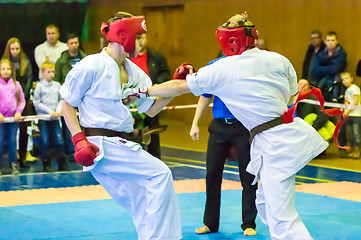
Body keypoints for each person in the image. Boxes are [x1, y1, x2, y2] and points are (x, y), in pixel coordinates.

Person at [123, 12, 328, 239]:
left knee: (281, 215)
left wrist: (142, 91)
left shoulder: (225, 67)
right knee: (266, 204)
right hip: (282, 137)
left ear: (230, 41)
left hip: (275, 144)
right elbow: (291, 95)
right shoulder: (279, 59)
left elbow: (178, 87)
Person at [59, 12, 181, 240]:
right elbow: (67, 105)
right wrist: (78, 140)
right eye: (137, 37)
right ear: (123, 36)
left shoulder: (134, 71)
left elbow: (151, 109)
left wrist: (175, 84)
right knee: (160, 175)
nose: (140, 42)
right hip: (102, 145)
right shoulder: (91, 66)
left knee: (142, 201)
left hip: (121, 143)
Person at [190, 91, 257, 235]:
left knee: (248, 176)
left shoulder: (245, 68)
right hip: (218, 127)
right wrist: (195, 123)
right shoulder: (212, 68)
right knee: (212, 175)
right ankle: (210, 223)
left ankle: (249, 224)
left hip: (242, 127)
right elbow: (205, 96)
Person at [131, 33, 171, 159]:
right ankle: (134, 158)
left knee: (153, 130)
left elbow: (166, 72)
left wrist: (158, 83)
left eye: (143, 37)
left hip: (151, 98)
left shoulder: (156, 57)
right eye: (138, 38)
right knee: (133, 132)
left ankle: (155, 158)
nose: (141, 41)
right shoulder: (127, 57)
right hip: (132, 99)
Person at [2, 37, 35, 168]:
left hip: (22, 101)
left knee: (24, 131)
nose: (15, 51)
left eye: (17, 48)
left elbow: (29, 80)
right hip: (6, 102)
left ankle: (22, 158)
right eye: (12, 49)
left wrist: (23, 99)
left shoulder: (25, 61)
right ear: (8, 49)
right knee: (6, 134)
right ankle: (9, 160)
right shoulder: (4, 63)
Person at [54, 33, 87, 162]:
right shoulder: (61, 61)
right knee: (68, 126)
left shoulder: (85, 59)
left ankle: (84, 150)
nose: (74, 45)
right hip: (67, 97)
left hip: (84, 98)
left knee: (85, 124)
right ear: (67, 45)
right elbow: (57, 80)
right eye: (71, 43)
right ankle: (72, 151)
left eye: (76, 42)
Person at [33, 61, 69, 172]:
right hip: (44, 118)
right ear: (43, 73)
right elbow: (36, 102)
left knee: (59, 140)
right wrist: (49, 111)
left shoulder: (57, 85)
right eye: (49, 72)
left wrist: (58, 110)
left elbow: (61, 99)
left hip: (55, 118)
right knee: (45, 141)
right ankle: (46, 164)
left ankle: (62, 163)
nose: (51, 74)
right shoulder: (39, 86)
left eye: (53, 71)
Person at [0, 59, 26, 175]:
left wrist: (19, 112)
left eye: (8, 69)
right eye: (3, 69)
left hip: (13, 120)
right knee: (0, 141)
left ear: (12, 71)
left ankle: (13, 164)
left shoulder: (16, 85)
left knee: (12, 141)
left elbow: (22, 101)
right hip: (1, 121)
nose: (6, 71)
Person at [310, 31, 347, 102]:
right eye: (328, 40)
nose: (330, 42)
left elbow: (335, 69)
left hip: (337, 85)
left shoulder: (341, 54)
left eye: (333, 40)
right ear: (325, 42)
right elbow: (314, 70)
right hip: (321, 84)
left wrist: (321, 69)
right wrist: (329, 70)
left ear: (337, 41)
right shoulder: (321, 53)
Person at [338, 72, 361, 159]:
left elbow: (355, 102)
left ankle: (357, 150)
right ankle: (352, 150)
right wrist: (343, 109)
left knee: (356, 134)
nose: (345, 81)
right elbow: (347, 102)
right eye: (343, 79)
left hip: (356, 115)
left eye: (347, 78)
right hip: (348, 115)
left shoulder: (355, 88)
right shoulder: (347, 90)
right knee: (350, 134)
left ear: (351, 79)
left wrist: (346, 111)